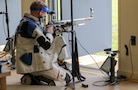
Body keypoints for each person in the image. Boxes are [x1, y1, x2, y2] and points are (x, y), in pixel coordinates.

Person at [15, 0, 72, 86]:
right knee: (67, 78)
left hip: (31, 57)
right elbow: (46, 45)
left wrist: (49, 32)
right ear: (40, 12)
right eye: (45, 12)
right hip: (34, 61)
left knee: (58, 39)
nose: (45, 14)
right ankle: (37, 74)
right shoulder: (30, 25)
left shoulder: (28, 21)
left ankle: (61, 62)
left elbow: (38, 36)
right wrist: (49, 32)